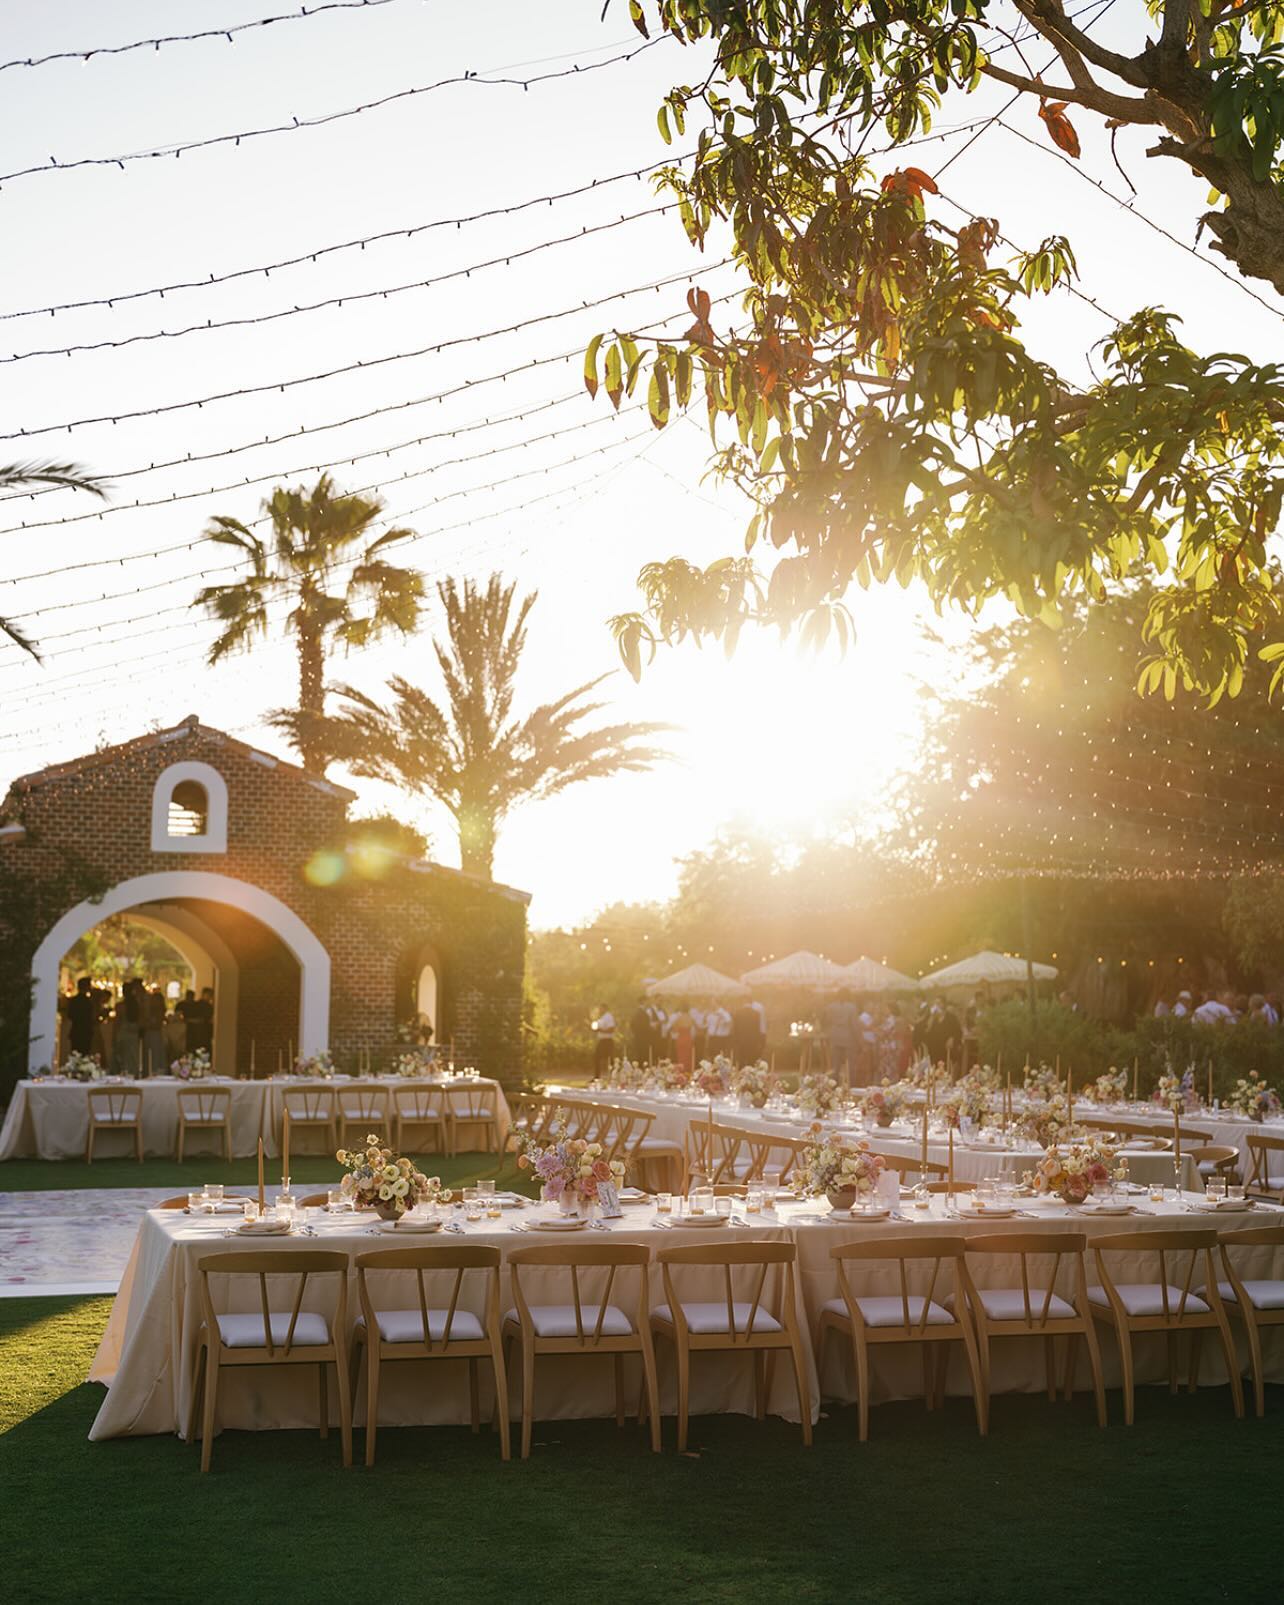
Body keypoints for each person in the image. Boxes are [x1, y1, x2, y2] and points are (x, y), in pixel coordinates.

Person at [821, 989, 860, 1080]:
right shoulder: (852, 1007)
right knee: (850, 1064)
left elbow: (826, 1021)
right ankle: (851, 1083)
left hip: (834, 1034)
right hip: (848, 1036)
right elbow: (854, 1024)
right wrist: (858, 1039)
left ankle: (834, 1084)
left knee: (835, 1064)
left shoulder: (830, 1007)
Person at [62, 976, 97, 1058]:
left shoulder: (74, 1000)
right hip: (86, 1032)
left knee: (75, 1056)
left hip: (76, 1031)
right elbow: (92, 1017)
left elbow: (70, 1015)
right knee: (85, 1055)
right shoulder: (89, 1002)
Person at [143, 985, 168, 1075]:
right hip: (150, 1035)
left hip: (156, 1035)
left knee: (156, 1055)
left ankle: (157, 1072)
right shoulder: (149, 1012)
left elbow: (157, 1025)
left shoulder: (159, 1012)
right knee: (149, 1056)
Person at [731, 998, 763, 1066]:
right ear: (751, 1003)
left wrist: (735, 1039)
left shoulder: (738, 1013)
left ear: (743, 1002)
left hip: (741, 1040)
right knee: (751, 1059)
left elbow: (735, 1028)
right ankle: (750, 1073)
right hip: (752, 1040)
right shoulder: (756, 1013)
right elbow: (757, 1028)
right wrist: (758, 1040)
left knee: (741, 1059)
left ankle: (741, 1073)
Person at [589, 1002, 616, 1076]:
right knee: (597, 1058)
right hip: (602, 1040)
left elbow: (611, 1029)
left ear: (605, 1008)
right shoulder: (601, 1017)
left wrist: (600, 1030)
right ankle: (597, 1076)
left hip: (607, 1040)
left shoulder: (608, 1017)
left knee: (610, 1060)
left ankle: (613, 1076)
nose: (599, 1010)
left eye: (601, 1008)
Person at [669, 998, 695, 1074]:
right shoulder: (690, 1018)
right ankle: (688, 1072)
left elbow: (673, 1028)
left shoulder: (679, 1018)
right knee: (688, 1056)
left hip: (681, 1038)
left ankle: (681, 1072)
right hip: (688, 1038)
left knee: (681, 1056)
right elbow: (697, 1028)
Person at [628, 996, 652, 1062]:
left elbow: (631, 1025)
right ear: (643, 1001)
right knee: (642, 1056)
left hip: (638, 1037)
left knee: (640, 1055)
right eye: (647, 1001)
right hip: (642, 1038)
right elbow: (642, 1025)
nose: (649, 1003)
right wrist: (651, 1027)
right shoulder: (640, 1013)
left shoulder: (637, 1012)